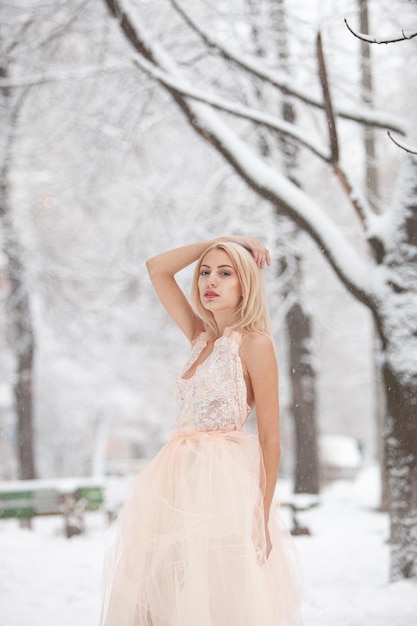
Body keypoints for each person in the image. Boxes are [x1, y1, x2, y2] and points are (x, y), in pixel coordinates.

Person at [99, 236, 303, 626]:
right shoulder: (200, 337)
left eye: (226, 273)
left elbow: (270, 438)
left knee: (213, 595)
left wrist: (261, 516)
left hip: (222, 486)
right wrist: (222, 240)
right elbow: (156, 267)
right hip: (174, 483)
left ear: (245, 284)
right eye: (205, 273)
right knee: (159, 594)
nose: (211, 281)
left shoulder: (256, 345)